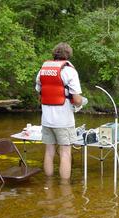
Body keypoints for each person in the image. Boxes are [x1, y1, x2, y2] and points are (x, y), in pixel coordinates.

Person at [35, 42, 86, 184]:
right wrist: (82, 101)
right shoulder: (70, 71)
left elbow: (40, 94)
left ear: (54, 54)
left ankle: (49, 185)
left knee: (49, 151)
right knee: (65, 153)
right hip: (64, 120)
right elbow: (76, 99)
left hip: (46, 119)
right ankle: (64, 188)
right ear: (68, 55)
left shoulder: (42, 70)